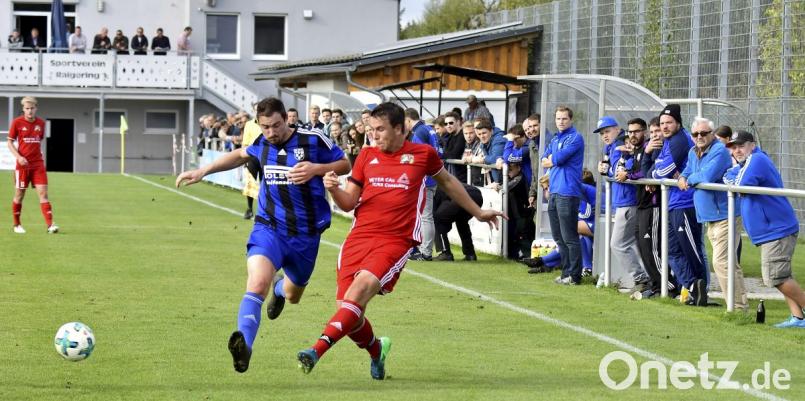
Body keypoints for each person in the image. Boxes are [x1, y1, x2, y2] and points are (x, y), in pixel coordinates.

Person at [295, 102, 504, 379]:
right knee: (349, 314)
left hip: (395, 240)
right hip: (358, 238)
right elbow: (348, 204)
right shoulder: (366, 156)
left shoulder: (422, 154)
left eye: (380, 129)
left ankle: (315, 350)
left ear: (399, 128)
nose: (373, 135)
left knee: (357, 295)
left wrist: (477, 211)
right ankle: (377, 350)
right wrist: (333, 189)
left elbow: (449, 183)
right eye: (371, 129)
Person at [176, 97, 351, 372]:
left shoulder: (312, 139)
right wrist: (203, 170)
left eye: (277, 125)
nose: (272, 132)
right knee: (257, 284)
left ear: (287, 119)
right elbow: (240, 155)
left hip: (305, 235)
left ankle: (280, 290)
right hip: (269, 227)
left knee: (293, 294)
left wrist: (316, 169)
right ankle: (244, 346)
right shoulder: (262, 142)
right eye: (266, 127)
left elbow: (345, 164)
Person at [723, 131, 805, 328]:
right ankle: (798, 318)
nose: (737, 150)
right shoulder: (746, 164)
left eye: (741, 146)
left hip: (777, 229)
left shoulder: (756, 159)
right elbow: (727, 177)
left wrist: (735, 177)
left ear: (752, 145)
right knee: (782, 275)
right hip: (771, 230)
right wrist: (734, 176)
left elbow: (739, 184)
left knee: (775, 277)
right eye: (733, 147)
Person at [679, 117, 748, 310]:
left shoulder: (719, 150)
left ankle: (736, 307)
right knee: (729, 263)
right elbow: (686, 170)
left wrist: (689, 178)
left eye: (704, 133)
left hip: (726, 214)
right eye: (695, 134)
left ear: (712, 134)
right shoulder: (693, 152)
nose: (699, 137)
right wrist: (684, 176)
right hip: (709, 217)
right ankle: (739, 306)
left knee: (721, 262)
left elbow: (706, 176)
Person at [652, 104, 708, 305]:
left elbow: (663, 170)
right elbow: (656, 169)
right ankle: (693, 287)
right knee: (672, 251)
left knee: (691, 251)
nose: (665, 127)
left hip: (685, 202)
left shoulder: (680, 139)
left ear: (678, 123)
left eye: (669, 123)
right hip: (672, 203)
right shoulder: (668, 141)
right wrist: (659, 170)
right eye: (662, 123)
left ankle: (703, 291)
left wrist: (659, 170)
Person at [596, 116, 649, 291]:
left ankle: (642, 278)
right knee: (634, 243)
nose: (605, 135)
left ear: (618, 129)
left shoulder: (621, 146)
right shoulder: (610, 148)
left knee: (618, 244)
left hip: (628, 201)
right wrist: (605, 170)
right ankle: (649, 279)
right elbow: (613, 171)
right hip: (622, 201)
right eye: (602, 133)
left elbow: (622, 170)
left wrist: (609, 169)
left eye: (607, 131)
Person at [542, 106, 585, 285]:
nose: (561, 122)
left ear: (571, 120)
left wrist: (553, 159)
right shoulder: (554, 138)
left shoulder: (575, 138)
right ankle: (566, 272)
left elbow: (558, 159)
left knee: (569, 237)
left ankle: (575, 276)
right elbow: (545, 159)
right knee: (558, 237)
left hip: (568, 192)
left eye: (564, 119)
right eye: (558, 119)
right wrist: (552, 160)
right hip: (554, 191)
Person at [7, 97, 58, 234]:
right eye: (27, 109)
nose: (30, 111)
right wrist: (19, 157)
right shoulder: (17, 122)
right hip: (22, 166)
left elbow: (37, 140)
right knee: (19, 195)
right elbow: (10, 143)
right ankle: (17, 225)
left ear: (36, 108)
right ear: (24, 109)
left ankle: (50, 225)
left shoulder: (41, 123)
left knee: (43, 193)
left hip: (38, 165)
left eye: (32, 108)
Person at [403, 108, 442, 261]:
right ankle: (424, 249)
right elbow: (440, 152)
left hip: (425, 179)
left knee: (425, 216)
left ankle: (425, 251)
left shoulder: (419, 132)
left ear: (408, 120)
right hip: (433, 177)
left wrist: (405, 160)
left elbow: (418, 156)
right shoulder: (428, 129)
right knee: (425, 215)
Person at [433, 183, 483, 261]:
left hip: (462, 196)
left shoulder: (430, 191)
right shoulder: (441, 182)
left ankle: (446, 253)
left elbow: (435, 216)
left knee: (437, 219)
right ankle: (470, 254)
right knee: (461, 221)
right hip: (477, 195)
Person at [240, 112, 261, 220]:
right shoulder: (249, 124)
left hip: (265, 157)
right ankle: (249, 208)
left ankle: (265, 210)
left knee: (267, 184)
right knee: (250, 183)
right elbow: (245, 143)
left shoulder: (266, 123)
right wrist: (244, 160)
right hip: (252, 157)